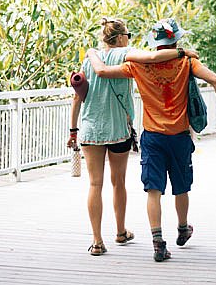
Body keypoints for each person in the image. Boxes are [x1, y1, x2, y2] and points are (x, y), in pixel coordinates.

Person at [86, 18, 216, 262]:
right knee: (181, 187)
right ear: (176, 40)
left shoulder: (137, 66)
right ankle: (183, 228)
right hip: (179, 136)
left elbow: (102, 72)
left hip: (152, 136)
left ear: (155, 42)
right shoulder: (187, 61)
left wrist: (92, 53)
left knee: (153, 190)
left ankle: (158, 243)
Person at [67, 18, 198, 256]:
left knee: (95, 184)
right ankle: (120, 231)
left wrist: (73, 130)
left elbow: (78, 96)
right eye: (128, 35)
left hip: (91, 129)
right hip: (118, 129)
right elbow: (153, 57)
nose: (129, 38)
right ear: (120, 38)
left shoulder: (90, 59)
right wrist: (182, 52)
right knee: (118, 182)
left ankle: (97, 241)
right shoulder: (126, 54)